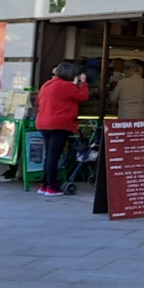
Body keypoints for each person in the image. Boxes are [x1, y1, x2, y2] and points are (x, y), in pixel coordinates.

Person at [35, 61, 88, 198]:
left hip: (43, 122)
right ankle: (52, 187)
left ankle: (45, 184)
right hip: (59, 124)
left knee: (49, 155)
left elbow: (37, 102)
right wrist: (83, 83)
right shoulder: (66, 86)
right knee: (54, 155)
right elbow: (83, 97)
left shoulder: (47, 84)